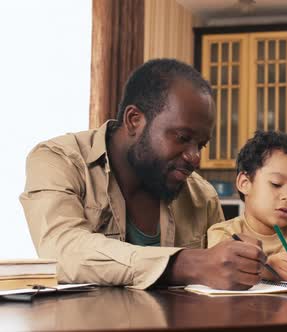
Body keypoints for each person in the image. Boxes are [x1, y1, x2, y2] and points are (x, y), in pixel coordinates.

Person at [20, 59, 266, 290]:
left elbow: (219, 273)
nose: (195, 158)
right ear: (134, 120)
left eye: (200, 145)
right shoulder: (59, 160)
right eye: (182, 138)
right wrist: (187, 263)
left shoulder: (202, 196)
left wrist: (248, 267)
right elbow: (61, 250)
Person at [207, 131, 287, 283]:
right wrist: (268, 268)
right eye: (276, 184)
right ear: (245, 183)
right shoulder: (223, 232)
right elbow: (222, 267)